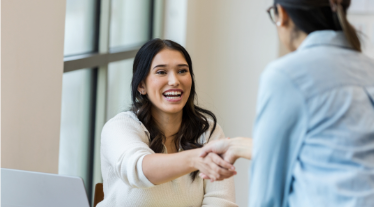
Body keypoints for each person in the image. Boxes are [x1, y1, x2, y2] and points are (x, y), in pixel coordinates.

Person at [200, 0, 374, 206]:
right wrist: (236, 145)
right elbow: (333, 153)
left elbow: (267, 196)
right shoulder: (368, 69)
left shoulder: (287, 75)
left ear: (281, 14)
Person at [97, 39, 238, 207]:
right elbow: (138, 170)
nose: (174, 81)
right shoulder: (119, 128)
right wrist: (197, 158)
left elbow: (221, 202)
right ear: (141, 86)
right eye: (161, 72)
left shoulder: (207, 132)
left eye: (182, 71)